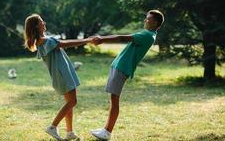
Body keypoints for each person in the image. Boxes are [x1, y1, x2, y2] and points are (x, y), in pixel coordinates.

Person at [90, 10, 164, 140]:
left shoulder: (148, 35)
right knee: (113, 99)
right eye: (146, 18)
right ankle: (105, 129)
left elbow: (121, 38)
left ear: (156, 22)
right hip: (119, 66)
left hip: (122, 68)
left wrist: (102, 39)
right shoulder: (147, 34)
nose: (145, 20)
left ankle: (107, 132)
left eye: (148, 19)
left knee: (114, 100)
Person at [24, 13, 91, 141]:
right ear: (36, 26)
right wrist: (87, 40)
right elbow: (66, 43)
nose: (44, 23)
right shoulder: (46, 41)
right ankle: (53, 127)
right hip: (62, 74)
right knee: (72, 101)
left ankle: (70, 132)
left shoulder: (42, 41)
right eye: (41, 21)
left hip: (60, 74)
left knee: (69, 103)